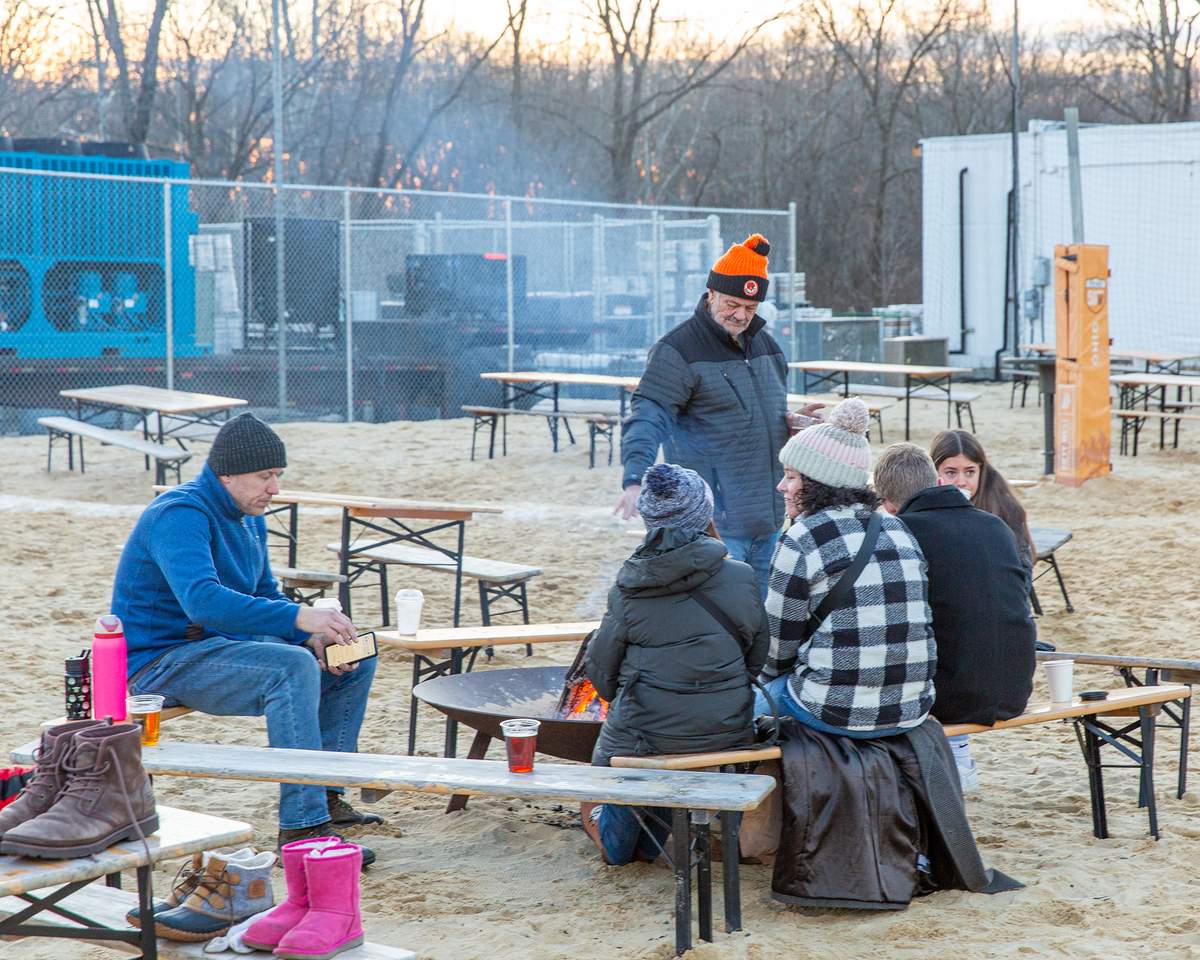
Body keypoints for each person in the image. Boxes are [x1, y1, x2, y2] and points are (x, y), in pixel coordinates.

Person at [112, 413, 380, 865]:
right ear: (227, 473)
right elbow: (204, 602)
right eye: (265, 476)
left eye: (277, 476)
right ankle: (303, 827)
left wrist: (309, 638)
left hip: (214, 647)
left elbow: (261, 594)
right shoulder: (179, 514)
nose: (274, 488)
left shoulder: (246, 512)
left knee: (348, 655)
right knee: (291, 669)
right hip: (159, 660)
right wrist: (300, 619)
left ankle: (327, 794)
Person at [582, 463, 767, 865]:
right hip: (726, 731)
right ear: (705, 515)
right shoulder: (743, 576)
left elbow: (600, 670)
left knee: (607, 818)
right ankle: (650, 833)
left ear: (650, 522)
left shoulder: (628, 586)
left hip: (645, 736)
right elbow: (757, 658)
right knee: (652, 815)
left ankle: (614, 835)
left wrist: (636, 694)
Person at [615, 234, 804, 597]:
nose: (740, 315)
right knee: (722, 625)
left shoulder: (768, 347)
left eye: (750, 308)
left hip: (769, 518)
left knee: (760, 627)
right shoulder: (677, 350)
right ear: (711, 293)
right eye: (733, 303)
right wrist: (634, 477)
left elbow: (756, 414)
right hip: (716, 524)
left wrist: (791, 420)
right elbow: (648, 415)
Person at [758, 398, 936, 739]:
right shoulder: (897, 529)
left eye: (791, 477)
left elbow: (777, 649)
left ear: (815, 484)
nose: (782, 486)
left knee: (743, 706)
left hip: (833, 709)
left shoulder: (802, 539)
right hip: (912, 705)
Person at [874, 442, 1036, 791]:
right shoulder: (994, 525)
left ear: (886, 503)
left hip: (951, 698)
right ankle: (957, 755)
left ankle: (934, 765)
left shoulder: (901, 533)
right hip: (1015, 688)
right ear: (935, 480)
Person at [930, 429, 1036, 582]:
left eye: (970, 472)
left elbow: (1023, 569)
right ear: (934, 472)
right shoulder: (924, 509)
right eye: (951, 473)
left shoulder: (1004, 507)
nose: (961, 481)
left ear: (981, 470)